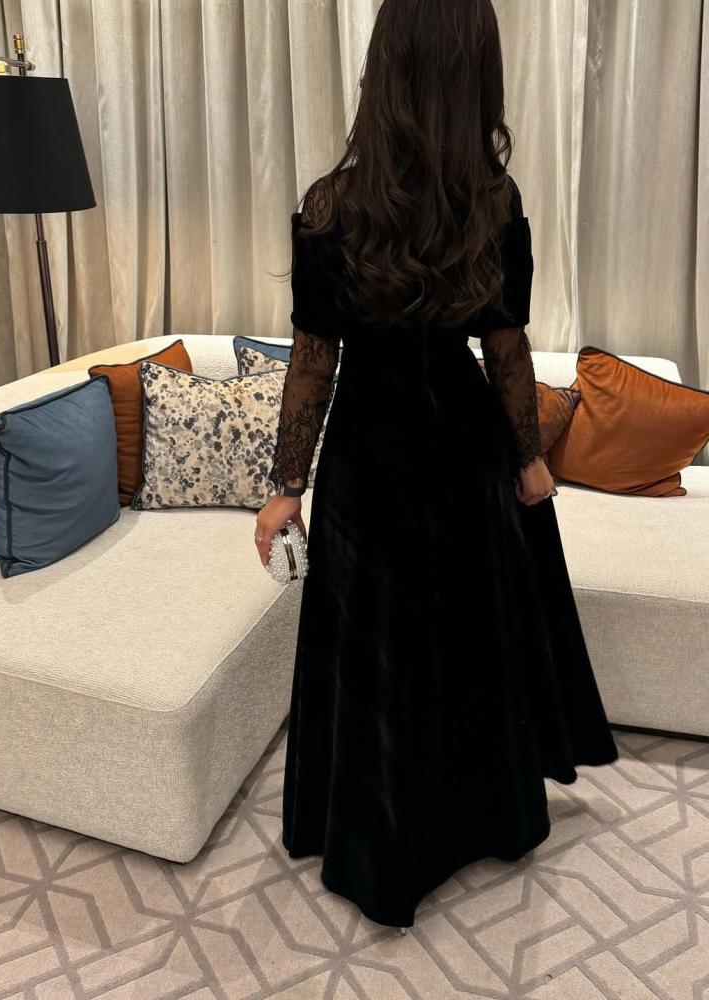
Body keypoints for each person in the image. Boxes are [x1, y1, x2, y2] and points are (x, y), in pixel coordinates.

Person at [253, 0, 619, 931]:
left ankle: (382, 845)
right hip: (461, 448)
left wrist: (287, 487)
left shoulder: (331, 205)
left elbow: (316, 361)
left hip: (368, 458)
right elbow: (503, 349)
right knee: (467, 643)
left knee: (377, 652)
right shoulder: (492, 201)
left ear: (386, 69)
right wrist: (527, 460)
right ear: (471, 78)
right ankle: (479, 815)